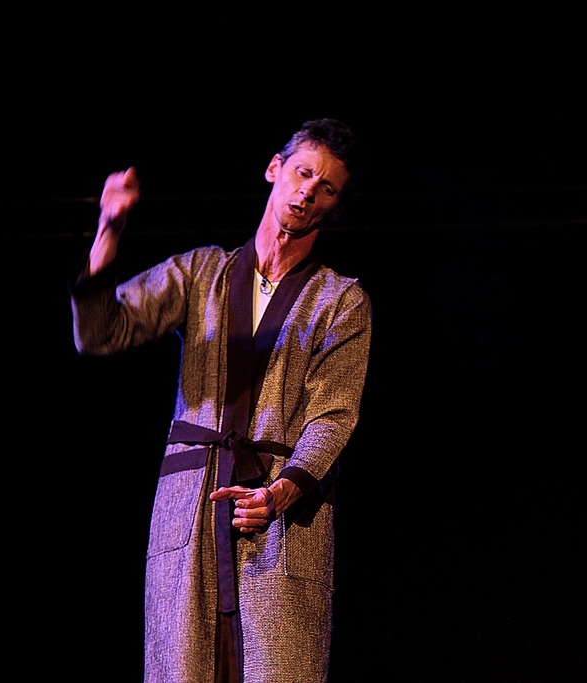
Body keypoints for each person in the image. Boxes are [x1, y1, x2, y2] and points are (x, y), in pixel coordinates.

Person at [71, 119, 371, 683]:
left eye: (327, 188)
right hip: (190, 508)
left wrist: (280, 493)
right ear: (274, 169)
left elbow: (333, 417)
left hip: (282, 514)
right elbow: (100, 331)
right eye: (304, 172)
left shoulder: (342, 301)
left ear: (334, 206)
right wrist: (110, 227)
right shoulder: (202, 273)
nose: (309, 191)